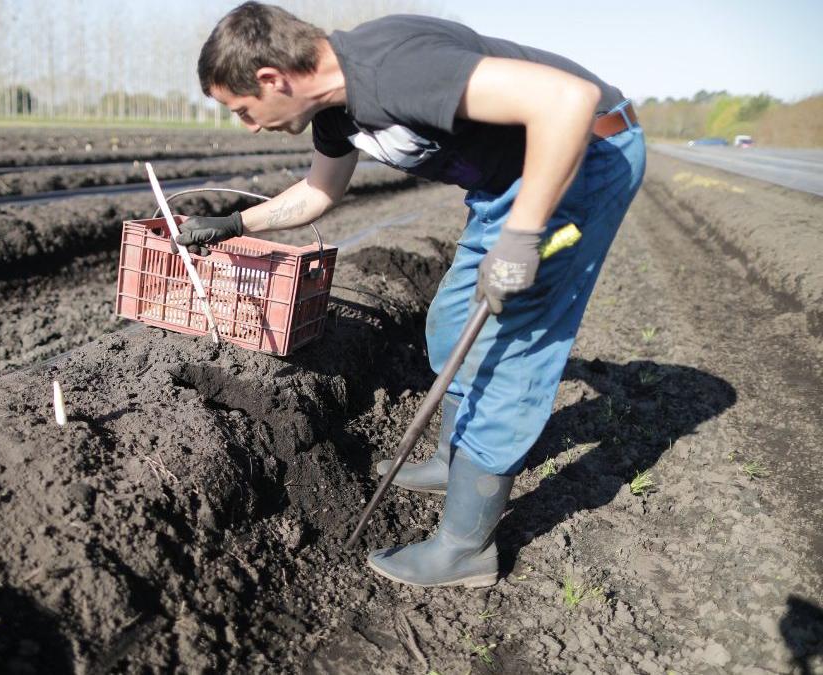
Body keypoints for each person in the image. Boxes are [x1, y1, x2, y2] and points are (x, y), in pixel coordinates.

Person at [182, 2, 646, 588]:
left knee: (508, 348)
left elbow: (568, 101)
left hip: (583, 159)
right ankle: (455, 461)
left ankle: (465, 547)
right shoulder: (335, 109)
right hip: (509, 182)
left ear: (273, 80)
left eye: (243, 109)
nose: (249, 125)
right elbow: (319, 192)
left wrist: (522, 240)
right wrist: (236, 225)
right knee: (452, 323)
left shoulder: (392, 67)